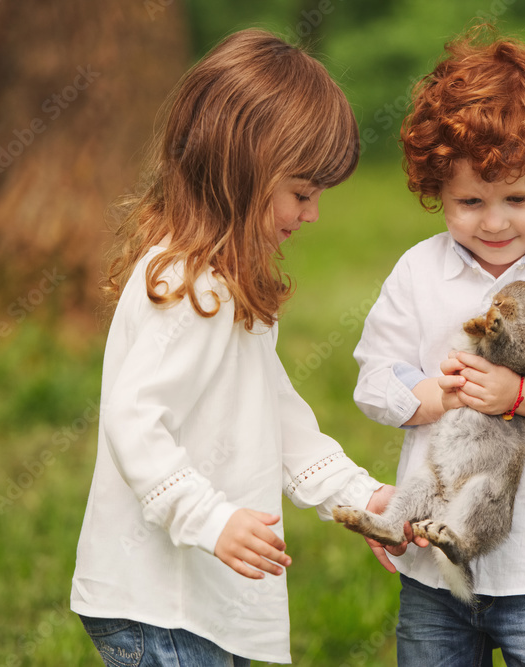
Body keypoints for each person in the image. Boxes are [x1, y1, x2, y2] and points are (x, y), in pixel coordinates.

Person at [70, 29, 393, 665]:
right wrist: (209, 519)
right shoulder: (190, 286)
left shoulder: (224, 285)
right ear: (240, 173)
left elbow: (277, 417)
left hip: (199, 600)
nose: (313, 214)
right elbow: (134, 422)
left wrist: (359, 499)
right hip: (159, 605)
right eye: (302, 193)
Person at [352, 27, 525, 665]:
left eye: (518, 198)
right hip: (434, 566)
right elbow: (374, 378)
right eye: (469, 201)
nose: (494, 221)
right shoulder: (418, 274)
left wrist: (521, 395)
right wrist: (432, 394)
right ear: (437, 191)